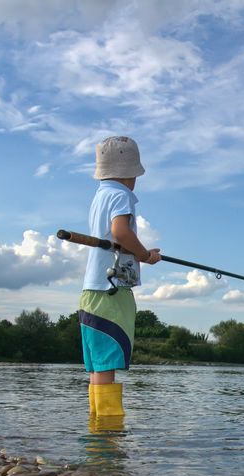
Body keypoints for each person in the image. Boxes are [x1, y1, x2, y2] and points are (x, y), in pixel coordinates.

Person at [80, 136, 161, 417]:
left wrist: (141, 252)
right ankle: (108, 434)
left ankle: (97, 430)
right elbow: (120, 233)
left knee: (98, 366)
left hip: (92, 292)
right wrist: (144, 255)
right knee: (107, 363)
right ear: (131, 173)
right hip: (110, 291)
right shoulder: (121, 195)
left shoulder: (100, 196)